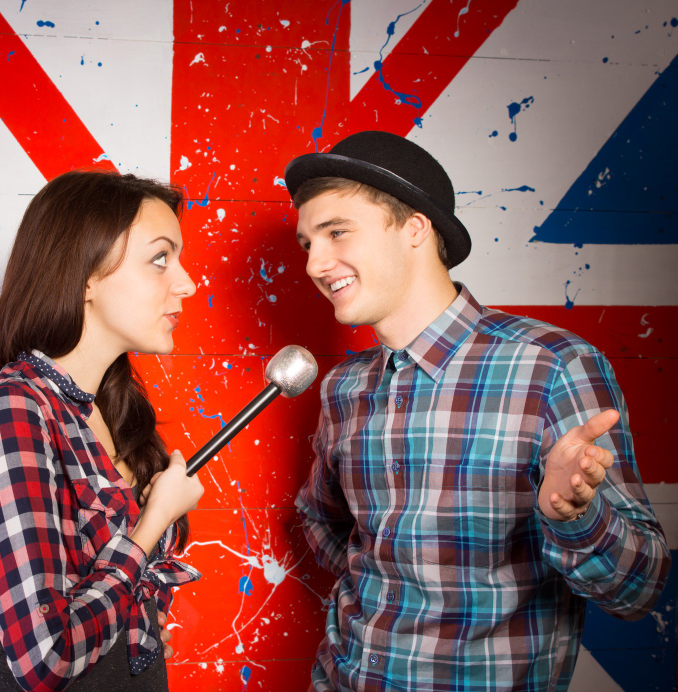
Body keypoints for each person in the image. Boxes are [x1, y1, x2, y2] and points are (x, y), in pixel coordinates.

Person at [285, 131, 670, 691]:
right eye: (306, 245)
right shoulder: (343, 387)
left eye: (336, 232)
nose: (316, 264)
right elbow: (323, 520)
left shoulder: (551, 367)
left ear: (416, 228)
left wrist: (573, 517)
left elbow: (642, 590)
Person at [0, 170, 205, 692]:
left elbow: (100, 598)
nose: (186, 282)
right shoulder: (10, 411)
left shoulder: (110, 407)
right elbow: (47, 659)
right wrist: (154, 519)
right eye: (160, 258)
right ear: (86, 273)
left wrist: (135, 637)